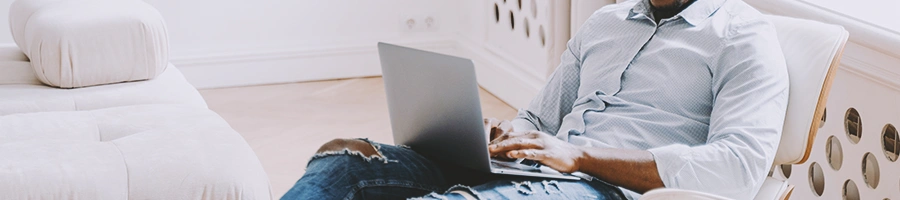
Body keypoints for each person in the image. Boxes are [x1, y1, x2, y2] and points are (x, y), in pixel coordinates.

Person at [282, 0, 788, 199]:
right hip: (533, 169)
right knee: (343, 157)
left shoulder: (742, 37)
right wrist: (503, 132)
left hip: (601, 190)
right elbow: (539, 118)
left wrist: (581, 156)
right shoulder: (605, 22)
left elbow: (739, 168)